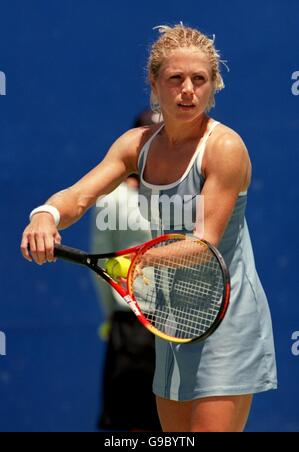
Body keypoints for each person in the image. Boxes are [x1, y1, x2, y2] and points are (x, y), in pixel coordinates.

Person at [21, 23, 277, 432]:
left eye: (200, 79)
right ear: (155, 85)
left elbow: (204, 245)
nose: (188, 90)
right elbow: (78, 197)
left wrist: (136, 261)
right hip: (170, 322)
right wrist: (45, 216)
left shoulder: (225, 148)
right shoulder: (135, 146)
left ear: (214, 86)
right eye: (175, 79)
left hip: (227, 321)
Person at [91, 111, 162, 432]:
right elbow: (100, 266)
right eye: (150, 138)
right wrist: (115, 314)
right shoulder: (112, 200)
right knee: (133, 424)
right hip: (130, 329)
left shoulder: (185, 193)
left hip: (177, 326)